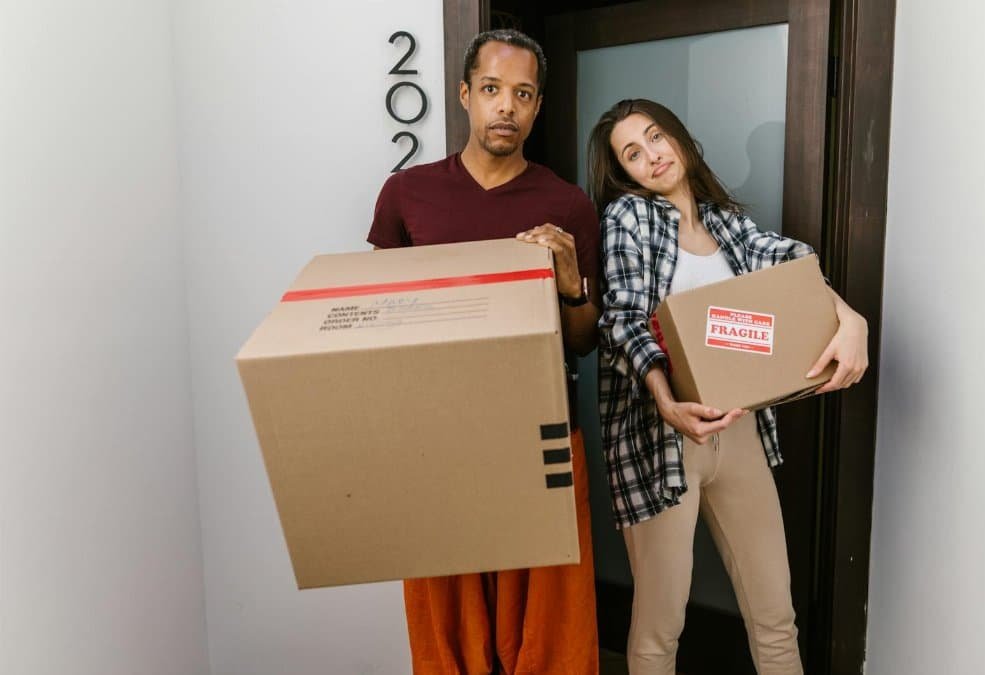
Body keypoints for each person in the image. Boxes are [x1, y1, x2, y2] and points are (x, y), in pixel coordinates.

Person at [588, 98, 870, 675]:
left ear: (681, 139)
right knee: (659, 630)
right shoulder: (629, 218)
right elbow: (620, 321)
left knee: (774, 615)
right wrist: (668, 404)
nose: (652, 157)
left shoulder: (726, 222)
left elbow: (792, 265)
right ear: (625, 172)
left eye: (656, 137)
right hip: (662, 443)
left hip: (740, 434)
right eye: (633, 154)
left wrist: (852, 320)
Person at [368, 29, 600, 675]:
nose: (507, 107)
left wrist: (569, 281)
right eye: (493, 89)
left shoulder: (568, 205)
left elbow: (582, 340)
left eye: (522, 94)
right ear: (466, 94)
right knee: (448, 631)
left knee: (550, 629)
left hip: (543, 431)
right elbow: (377, 327)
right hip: (436, 435)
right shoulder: (405, 194)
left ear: (537, 106)